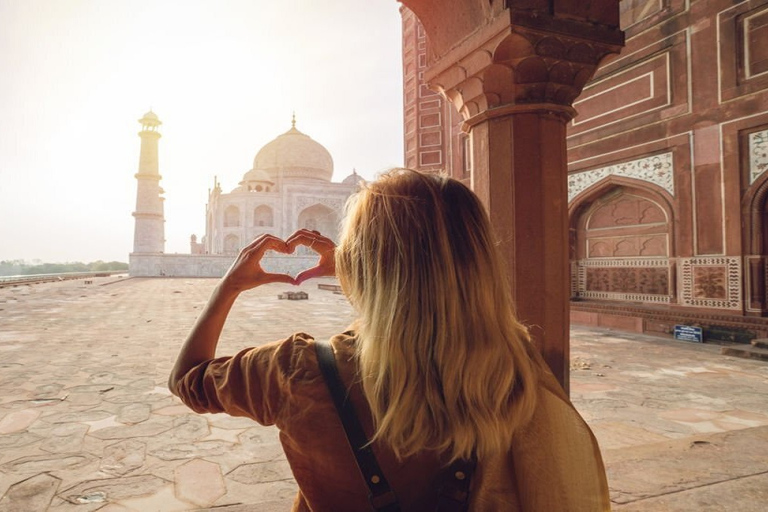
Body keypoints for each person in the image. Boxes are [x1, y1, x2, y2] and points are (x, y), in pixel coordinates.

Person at [169, 168, 610, 511]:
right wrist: (358, 267)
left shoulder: (294, 372)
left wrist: (227, 287)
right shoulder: (513, 362)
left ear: (362, 264)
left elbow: (187, 379)